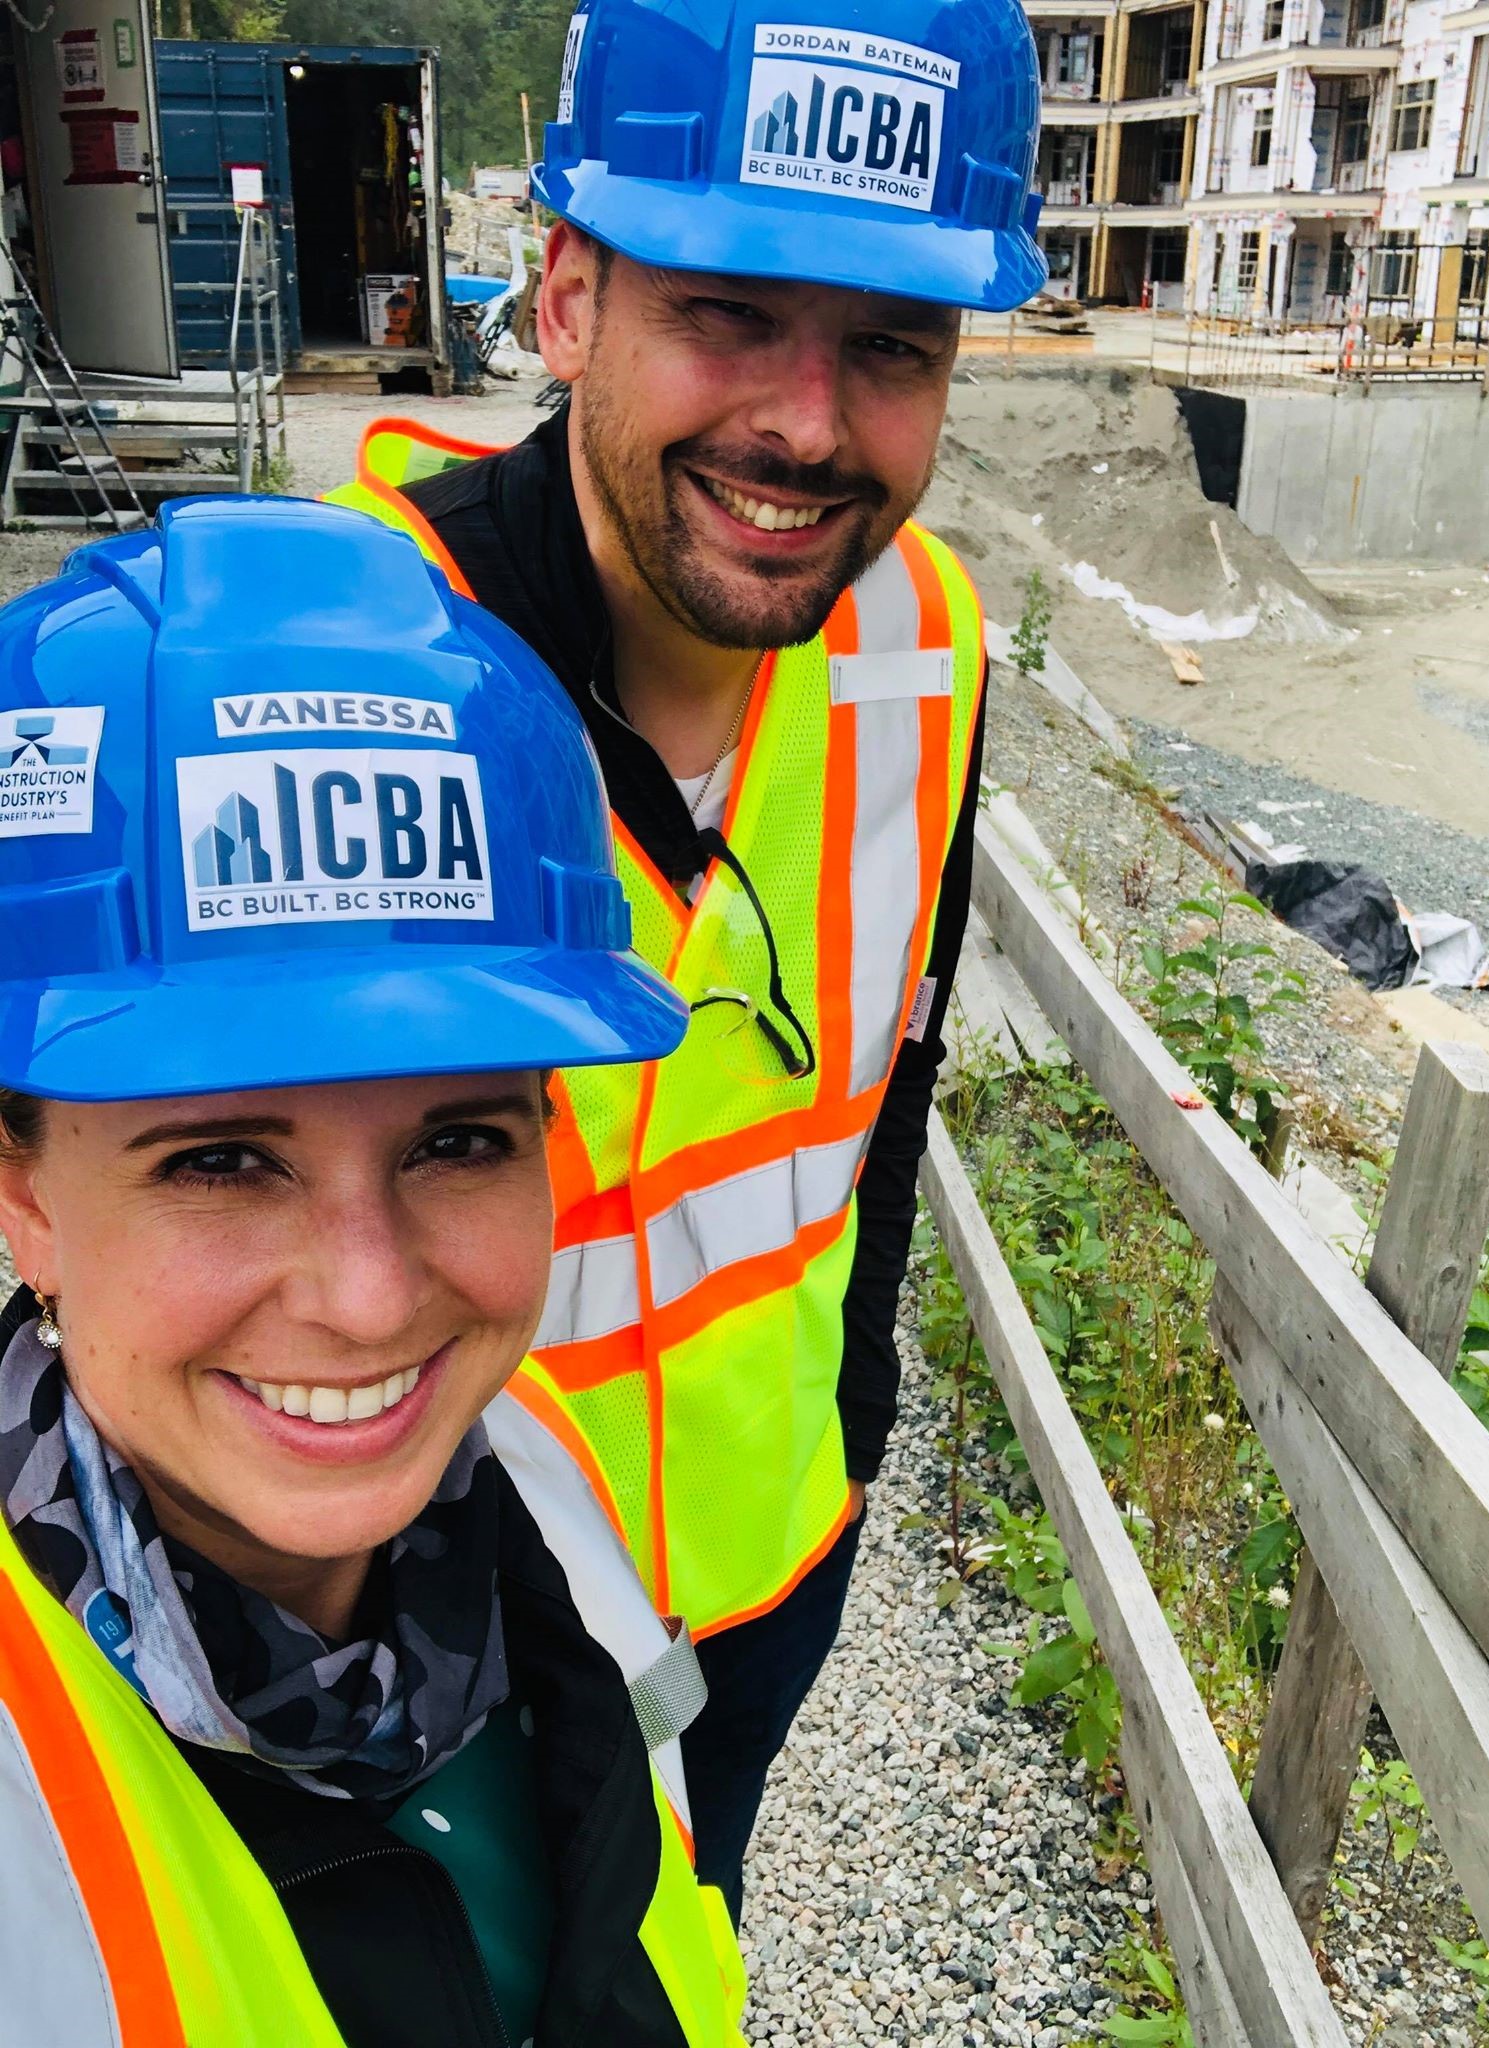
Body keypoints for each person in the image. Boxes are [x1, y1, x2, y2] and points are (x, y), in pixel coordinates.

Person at [329, 0, 1047, 1921]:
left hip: (757, 1584)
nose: (807, 425)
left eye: (888, 345)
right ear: (566, 303)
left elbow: (883, 1105)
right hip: (424, 1650)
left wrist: (854, 1456)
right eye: (728, 310)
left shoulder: (924, 649)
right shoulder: (338, 675)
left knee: (679, 1955)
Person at [0, 496, 747, 2046]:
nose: (366, 1296)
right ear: (24, 1197)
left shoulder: (545, 1486)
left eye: (459, 1143)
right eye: (219, 1162)